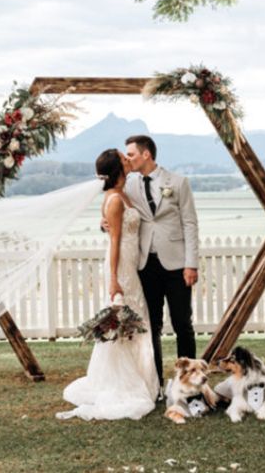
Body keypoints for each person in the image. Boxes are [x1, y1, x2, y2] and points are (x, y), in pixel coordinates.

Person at [56, 149, 159, 420]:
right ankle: (121, 385)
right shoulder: (114, 200)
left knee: (136, 324)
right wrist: (114, 278)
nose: (128, 160)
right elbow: (114, 241)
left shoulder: (124, 193)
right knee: (126, 322)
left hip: (130, 263)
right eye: (124, 159)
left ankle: (141, 379)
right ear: (117, 168)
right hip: (121, 265)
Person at [123, 135, 199, 395]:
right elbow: (118, 210)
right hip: (146, 264)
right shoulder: (130, 186)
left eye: (131, 154)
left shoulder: (177, 182)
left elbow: (190, 223)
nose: (128, 159)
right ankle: (155, 385)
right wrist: (105, 223)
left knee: (182, 323)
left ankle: (188, 384)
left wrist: (191, 264)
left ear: (146, 155)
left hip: (177, 264)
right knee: (151, 325)